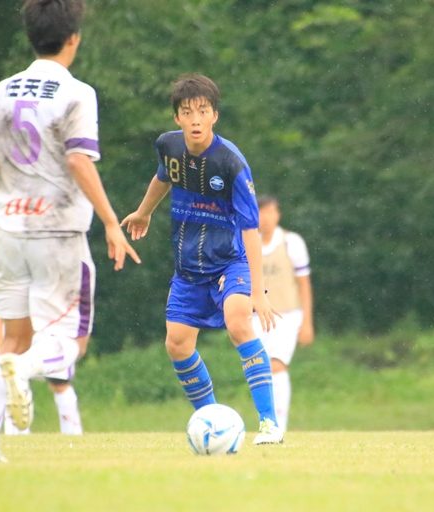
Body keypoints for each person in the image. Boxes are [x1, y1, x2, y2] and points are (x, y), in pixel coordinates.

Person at [0, 0, 139, 462]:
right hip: (58, 234)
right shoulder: (76, 93)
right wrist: (110, 221)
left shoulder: (1, 91)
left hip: (8, 232)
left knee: (11, 341)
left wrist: (14, 194)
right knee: (70, 344)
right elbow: (79, 160)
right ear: (73, 38)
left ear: (31, 36)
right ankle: (23, 373)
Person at [121, 73, 284, 445]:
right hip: (189, 269)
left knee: (238, 322)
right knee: (177, 343)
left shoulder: (230, 163)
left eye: (203, 111)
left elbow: (251, 229)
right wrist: (144, 212)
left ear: (215, 116)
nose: (195, 119)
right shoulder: (169, 146)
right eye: (187, 112)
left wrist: (258, 291)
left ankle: (270, 424)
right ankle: (213, 423)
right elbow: (163, 177)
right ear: (177, 117)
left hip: (231, 261)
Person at [252, 195, 314, 432]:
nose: (266, 217)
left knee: (277, 365)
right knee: (260, 368)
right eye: (261, 212)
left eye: (271, 211)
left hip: (287, 315)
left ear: (278, 214)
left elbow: (304, 284)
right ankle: (266, 420)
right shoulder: (249, 242)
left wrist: (307, 322)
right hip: (257, 317)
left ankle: (278, 426)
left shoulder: (291, 242)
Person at [0, 317, 82, 436]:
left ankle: (72, 434)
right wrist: (2, 342)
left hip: (51, 330)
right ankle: (17, 436)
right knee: (12, 380)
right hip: (18, 329)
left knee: (59, 382)